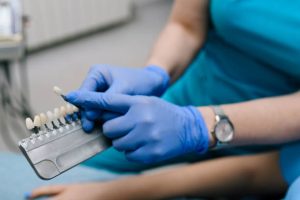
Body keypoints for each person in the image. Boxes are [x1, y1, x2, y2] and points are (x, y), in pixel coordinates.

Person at [1, 0, 300, 199]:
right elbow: (184, 25)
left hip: (278, 137)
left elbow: (263, 172)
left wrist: (198, 127)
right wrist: (156, 71)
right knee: (34, 175)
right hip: (186, 100)